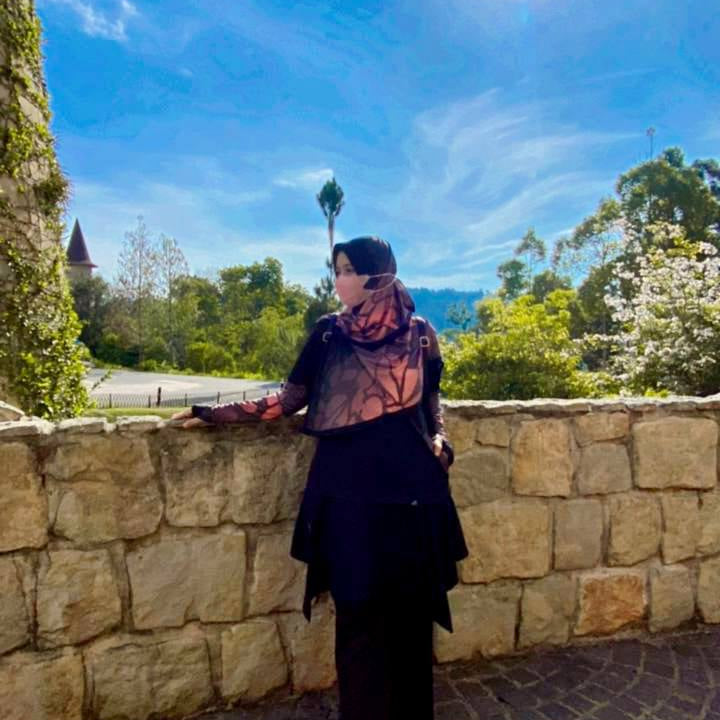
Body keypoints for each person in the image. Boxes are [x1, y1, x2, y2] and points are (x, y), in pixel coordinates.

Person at [171, 235, 469, 720]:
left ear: (379, 274)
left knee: (412, 618)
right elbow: (289, 399)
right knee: (357, 616)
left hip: (414, 495)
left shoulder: (420, 333)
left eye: (349, 269)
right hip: (348, 497)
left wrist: (441, 437)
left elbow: (432, 398)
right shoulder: (330, 333)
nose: (340, 280)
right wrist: (215, 413)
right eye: (337, 269)